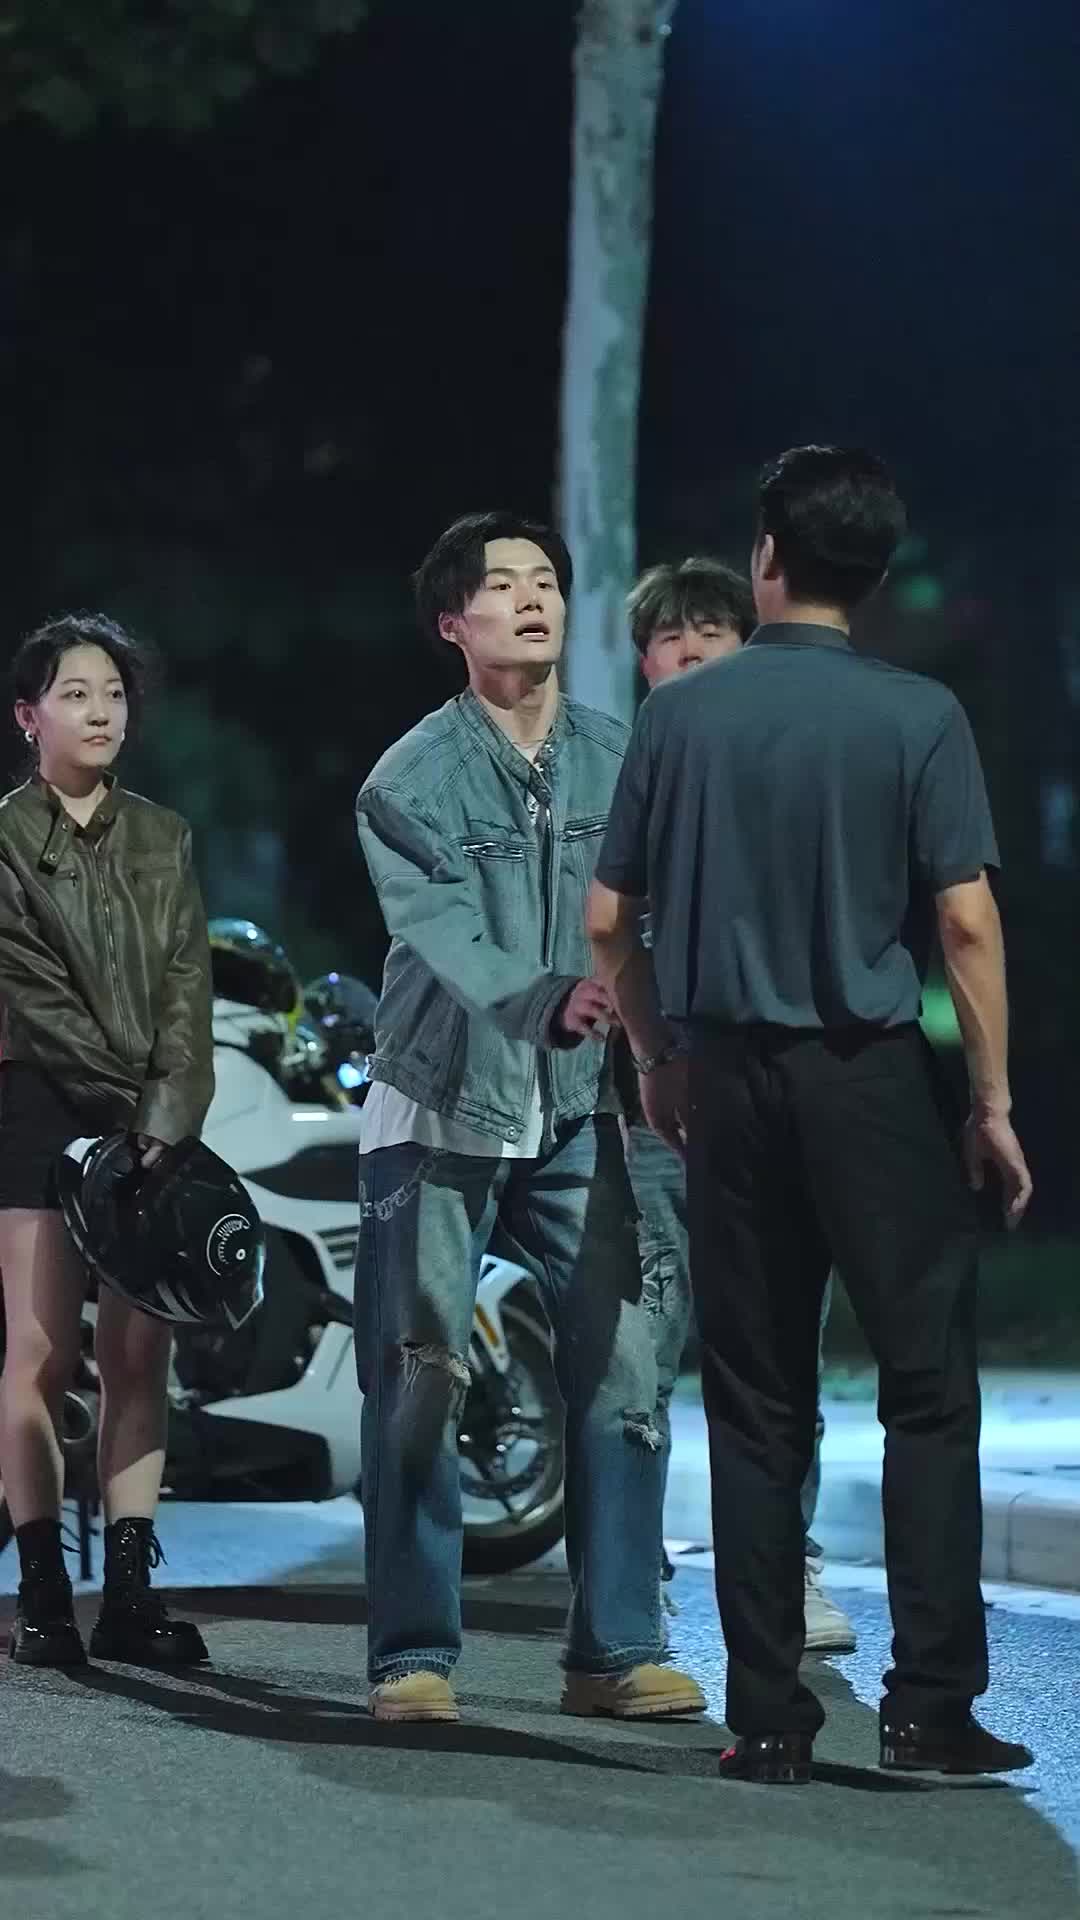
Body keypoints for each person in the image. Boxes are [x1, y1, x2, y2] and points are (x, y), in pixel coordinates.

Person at [587, 446, 1034, 1783]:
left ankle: (770, 1717)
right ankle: (929, 1708)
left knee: (755, 1401)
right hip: (872, 1080)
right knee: (926, 1389)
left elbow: (608, 923)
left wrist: (659, 1057)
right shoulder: (918, 715)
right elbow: (965, 922)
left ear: (768, 555)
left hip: (727, 1079)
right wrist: (992, 1102)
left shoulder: (679, 718)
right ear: (876, 573)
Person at [353, 510, 704, 1725]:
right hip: (440, 1104)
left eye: (545, 580)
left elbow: (667, 913)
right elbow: (444, 931)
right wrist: (547, 997)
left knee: (627, 1372)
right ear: (453, 624)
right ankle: (411, 1657)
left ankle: (615, 1650)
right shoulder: (408, 777)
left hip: (589, 1105)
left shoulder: (625, 757)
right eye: (502, 585)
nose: (532, 599)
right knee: (420, 1381)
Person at [619, 557, 855, 1655]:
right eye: (671, 637)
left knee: (779, 1349)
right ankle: (636, 1572)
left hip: (779, 1087)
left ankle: (787, 1564)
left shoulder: (792, 757)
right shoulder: (623, 767)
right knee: (639, 1350)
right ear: (645, 662)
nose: (693, 650)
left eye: (712, 630)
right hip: (653, 1102)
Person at [0, 614, 214, 1668]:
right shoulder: (2, 839)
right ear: (28, 716)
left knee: (140, 1353)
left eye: (114, 694)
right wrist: (129, 1102)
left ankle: (129, 1596)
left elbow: (186, 989)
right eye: (75, 693)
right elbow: (35, 999)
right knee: (39, 1353)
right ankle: (43, 1596)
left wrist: (164, 1118)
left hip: (148, 1122)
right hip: (35, 1105)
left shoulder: (164, 837)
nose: (100, 712)